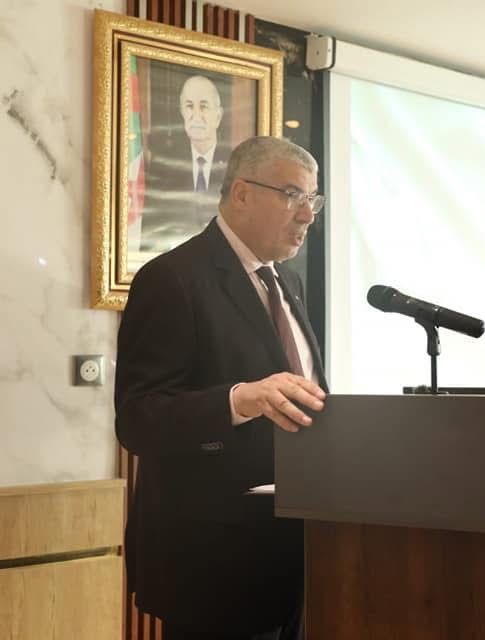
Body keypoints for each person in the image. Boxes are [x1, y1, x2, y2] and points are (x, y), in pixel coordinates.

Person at [115, 136, 329, 640]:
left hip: (293, 556)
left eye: (312, 200)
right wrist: (238, 400)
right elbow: (139, 419)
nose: (307, 215)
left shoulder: (289, 283)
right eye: (293, 196)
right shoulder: (172, 279)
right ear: (241, 193)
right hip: (213, 565)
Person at [139, 75, 230, 252]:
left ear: (218, 116)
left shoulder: (235, 164)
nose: (196, 116)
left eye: (203, 106)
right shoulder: (163, 164)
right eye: (189, 106)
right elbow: (152, 226)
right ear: (182, 112)